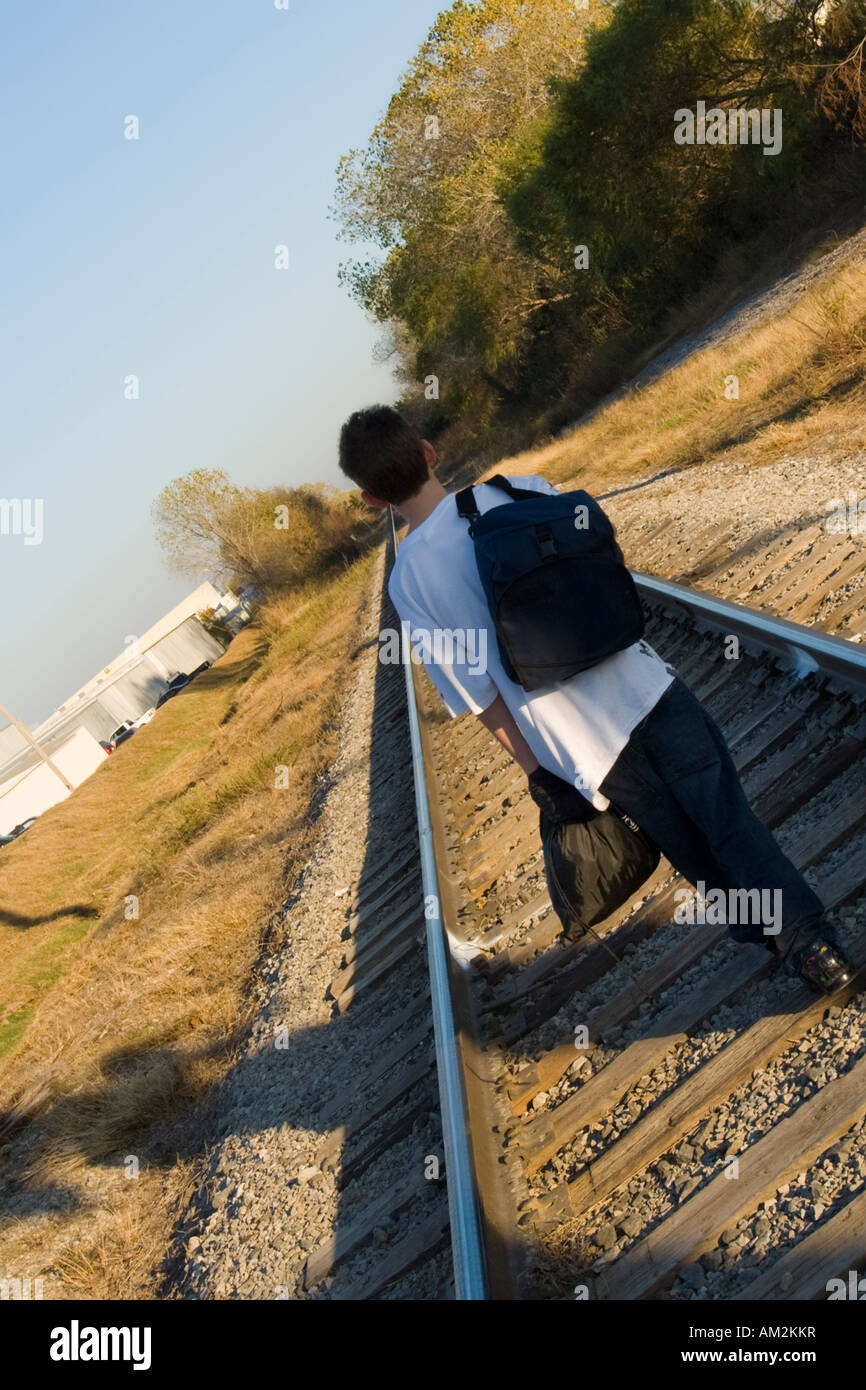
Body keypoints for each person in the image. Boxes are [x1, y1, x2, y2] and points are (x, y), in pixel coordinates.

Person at [338, 404, 850, 994]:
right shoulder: (519, 491)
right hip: (647, 688)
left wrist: (541, 777)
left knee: (686, 843)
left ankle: (775, 938)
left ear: (372, 499)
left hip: (584, 746)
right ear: (429, 451)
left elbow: (479, 697)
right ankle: (809, 941)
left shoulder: (410, 584)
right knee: (727, 819)